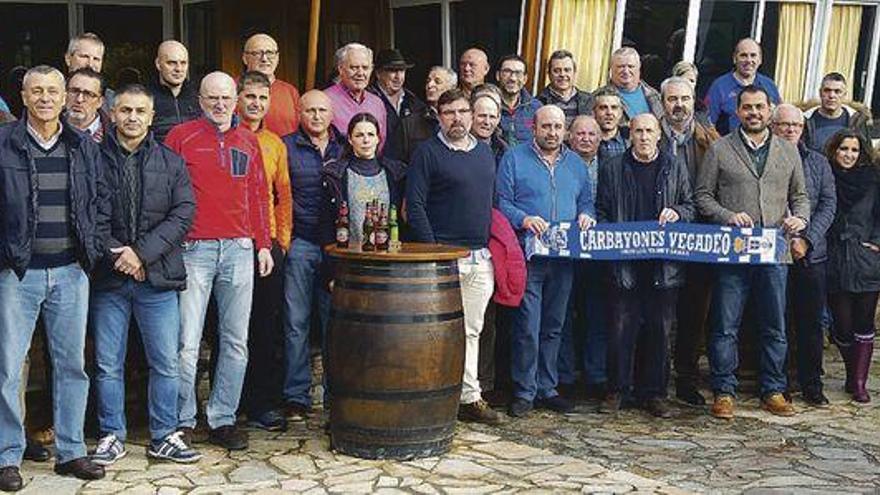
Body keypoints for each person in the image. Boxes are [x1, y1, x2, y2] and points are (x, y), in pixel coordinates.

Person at [0, 65, 108, 492]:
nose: (46, 98)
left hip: (70, 272)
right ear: (23, 97)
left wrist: (91, 251)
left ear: (65, 98)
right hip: (16, 274)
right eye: (36, 91)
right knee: (8, 367)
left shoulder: (83, 147)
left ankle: (70, 451)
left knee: (71, 366)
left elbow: (100, 203)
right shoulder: (4, 144)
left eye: (53, 91)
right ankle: (7, 455)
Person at [90, 84, 200, 465]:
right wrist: (119, 256)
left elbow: (183, 214)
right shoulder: (92, 160)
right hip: (109, 279)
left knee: (165, 362)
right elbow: (87, 216)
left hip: (157, 278)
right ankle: (111, 434)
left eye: (140, 111)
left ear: (152, 117)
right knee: (107, 363)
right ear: (112, 114)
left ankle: (164, 434)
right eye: (125, 110)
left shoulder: (171, 161)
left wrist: (142, 254)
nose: (132, 117)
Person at [165, 72, 273, 451]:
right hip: (194, 248)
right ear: (200, 99)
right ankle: (182, 419)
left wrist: (263, 243)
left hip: (240, 249)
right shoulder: (180, 137)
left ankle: (223, 418)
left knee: (235, 341)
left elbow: (260, 195)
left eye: (227, 97)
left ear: (237, 100)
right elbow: (166, 193)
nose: (221, 104)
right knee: (187, 342)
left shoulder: (249, 140)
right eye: (213, 97)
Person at [695, 85, 809, 419]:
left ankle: (773, 389)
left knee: (774, 323)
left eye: (760, 107)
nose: (754, 113)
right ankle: (724, 391)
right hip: (734, 250)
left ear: (770, 110)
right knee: (725, 324)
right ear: (737, 112)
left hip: (774, 250)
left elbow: (800, 195)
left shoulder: (788, 151)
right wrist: (727, 216)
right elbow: (703, 196)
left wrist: (800, 219)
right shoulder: (720, 149)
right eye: (747, 108)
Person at [407, 89, 501, 424]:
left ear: (473, 115)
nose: (457, 118)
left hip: (479, 257)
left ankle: (468, 397)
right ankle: (429, 398)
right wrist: (435, 251)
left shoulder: (485, 154)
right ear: (439, 115)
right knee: (434, 332)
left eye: (463, 111)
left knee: (471, 330)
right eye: (449, 112)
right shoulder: (427, 153)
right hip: (443, 257)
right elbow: (414, 207)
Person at [496, 105, 594, 417]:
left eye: (557, 127)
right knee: (527, 325)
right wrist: (524, 218)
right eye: (546, 126)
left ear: (565, 131)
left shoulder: (576, 164)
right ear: (534, 128)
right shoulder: (513, 158)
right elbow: (501, 203)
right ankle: (524, 390)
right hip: (528, 256)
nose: (552, 132)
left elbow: (587, 202)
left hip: (564, 258)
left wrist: (587, 216)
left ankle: (547, 387)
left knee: (555, 325)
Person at [596, 113, 694, 418]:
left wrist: (677, 212)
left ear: (659, 135)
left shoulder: (674, 165)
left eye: (649, 131)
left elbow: (691, 206)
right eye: (638, 131)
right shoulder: (612, 167)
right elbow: (600, 209)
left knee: (660, 331)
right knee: (620, 329)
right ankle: (617, 390)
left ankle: (655, 394)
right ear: (630, 135)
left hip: (663, 266)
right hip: (624, 264)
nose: (643, 136)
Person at [281, 89, 345, 418]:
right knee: (296, 322)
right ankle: (296, 395)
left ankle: (336, 393)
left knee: (334, 321)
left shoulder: (344, 146)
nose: (317, 116)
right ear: (300, 114)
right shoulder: (287, 146)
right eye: (310, 111)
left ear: (332, 114)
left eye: (322, 110)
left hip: (337, 247)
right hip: (301, 243)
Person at [236, 71, 293, 431]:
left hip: (267, 246)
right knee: (229, 327)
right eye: (250, 97)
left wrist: (281, 241)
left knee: (265, 325)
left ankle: (262, 402)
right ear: (238, 98)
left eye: (262, 98)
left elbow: (283, 195)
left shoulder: (275, 143)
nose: (256, 104)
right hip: (230, 241)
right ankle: (232, 401)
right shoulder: (226, 138)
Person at [658, 76, 720, 406]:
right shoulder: (648, 134)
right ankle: (651, 379)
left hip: (699, 239)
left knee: (694, 313)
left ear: (693, 100)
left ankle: (686, 378)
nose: (678, 105)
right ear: (663, 102)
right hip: (658, 238)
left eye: (684, 99)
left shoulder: (710, 139)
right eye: (672, 99)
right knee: (658, 312)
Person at [771, 103, 836, 406]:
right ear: (774, 127)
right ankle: (776, 383)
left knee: (811, 323)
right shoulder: (765, 158)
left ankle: (812, 383)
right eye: (784, 125)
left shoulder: (819, 163)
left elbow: (827, 205)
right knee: (776, 320)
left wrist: (806, 239)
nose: (790, 130)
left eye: (796, 126)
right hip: (774, 251)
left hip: (812, 254)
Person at [824, 129, 879, 404]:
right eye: (844, 149)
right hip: (834, 259)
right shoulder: (825, 176)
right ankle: (850, 371)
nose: (849, 155)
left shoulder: (872, 180)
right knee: (842, 326)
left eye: (854, 150)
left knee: (864, 322)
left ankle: (859, 382)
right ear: (835, 150)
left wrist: (877, 242)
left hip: (866, 260)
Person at [559, 115, 607, 400]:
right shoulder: (560, 164)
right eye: (580, 133)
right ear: (569, 137)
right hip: (565, 252)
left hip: (599, 253)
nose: (586, 138)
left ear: (599, 139)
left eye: (591, 134)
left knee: (596, 315)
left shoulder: (612, 166)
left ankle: (596, 376)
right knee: (563, 316)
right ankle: (564, 376)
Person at [322, 112, 405, 248]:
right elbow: (326, 221)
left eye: (371, 135)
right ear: (350, 139)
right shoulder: (336, 175)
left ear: (378, 138)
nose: (366, 140)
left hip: (387, 255)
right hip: (348, 255)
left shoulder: (396, 173)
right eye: (359, 135)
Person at [704, 38, 781, 136]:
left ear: (760, 59)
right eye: (743, 55)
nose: (749, 60)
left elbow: (778, 121)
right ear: (735, 59)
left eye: (753, 55)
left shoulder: (770, 86)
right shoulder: (719, 87)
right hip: (729, 147)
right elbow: (708, 125)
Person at [368, 48, 426, 161]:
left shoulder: (414, 102)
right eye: (393, 71)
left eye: (402, 71)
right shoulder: (368, 100)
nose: (398, 77)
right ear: (378, 73)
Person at [325, 43, 387, 149]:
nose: (360, 73)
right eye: (354, 67)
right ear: (340, 69)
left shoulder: (378, 103)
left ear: (371, 69)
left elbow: (381, 144)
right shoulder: (325, 100)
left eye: (365, 67)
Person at [242, 33, 301, 138]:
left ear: (277, 57)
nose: (264, 59)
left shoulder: (290, 91)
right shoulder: (232, 88)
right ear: (245, 58)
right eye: (257, 53)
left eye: (270, 53)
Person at [803, 72, 874, 153]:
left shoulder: (857, 121)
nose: (831, 96)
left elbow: (867, 154)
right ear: (820, 93)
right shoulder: (805, 121)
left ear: (844, 95)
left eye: (837, 91)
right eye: (827, 90)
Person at [399, 66, 457, 161]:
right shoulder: (409, 123)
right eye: (428, 81)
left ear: (452, 88)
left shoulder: (461, 120)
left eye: (437, 81)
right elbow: (396, 162)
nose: (430, 85)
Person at [593, 47, 663, 125]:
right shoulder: (598, 97)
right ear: (611, 68)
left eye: (630, 66)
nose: (626, 71)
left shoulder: (655, 96)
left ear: (639, 67)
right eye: (621, 66)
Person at [148, 40, 200, 143]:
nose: (178, 69)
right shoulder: (145, 98)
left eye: (183, 63)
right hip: (158, 157)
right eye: (172, 63)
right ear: (158, 64)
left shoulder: (199, 96)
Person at [538, 50, 594, 127]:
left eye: (567, 70)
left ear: (574, 72)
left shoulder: (589, 101)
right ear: (549, 74)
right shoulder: (538, 102)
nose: (562, 74)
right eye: (557, 71)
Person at [496, 55, 542, 147]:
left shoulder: (537, 108)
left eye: (518, 73)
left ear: (525, 79)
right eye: (507, 72)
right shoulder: (488, 105)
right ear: (498, 76)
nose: (512, 78)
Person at [64, 32, 114, 111]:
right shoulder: (52, 94)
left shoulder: (112, 101)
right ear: (68, 59)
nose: (90, 64)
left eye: (96, 59)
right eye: (84, 56)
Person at [65, 67, 109, 142]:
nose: (79, 99)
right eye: (74, 91)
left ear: (100, 102)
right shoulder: (47, 129)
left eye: (88, 94)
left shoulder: (113, 138)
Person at [469, 85, 508, 164]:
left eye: (492, 117)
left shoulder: (504, 151)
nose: (487, 122)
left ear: (498, 118)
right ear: (470, 114)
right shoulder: (455, 144)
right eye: (482, 116)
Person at [593, 87, 628, 161]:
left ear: (620, 112)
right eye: (603, 108)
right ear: (594, 112)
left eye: (614, 107)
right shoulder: (585, 140)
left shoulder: (630, 140)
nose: (609, 112)